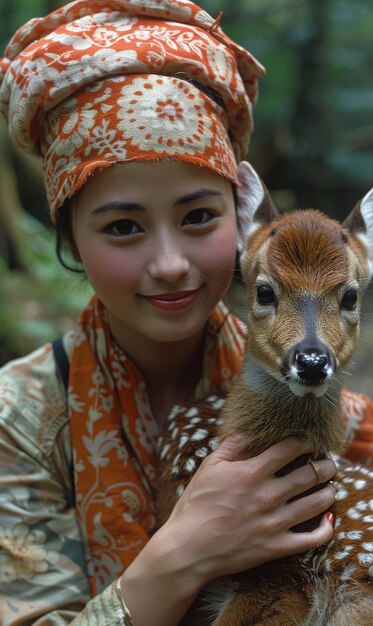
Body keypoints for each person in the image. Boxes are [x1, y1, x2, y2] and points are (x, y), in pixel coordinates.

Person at [0, 1, 372, 624]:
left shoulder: (335, 407)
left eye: (199, 216)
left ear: (244, 221)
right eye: (123, 226)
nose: (171, 262)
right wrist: (183, 553)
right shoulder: (18, 422)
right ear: (69, 242)